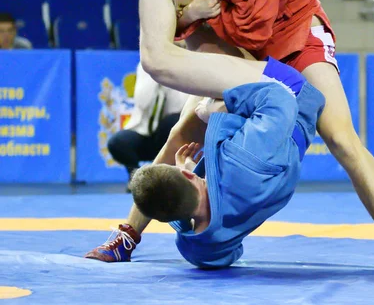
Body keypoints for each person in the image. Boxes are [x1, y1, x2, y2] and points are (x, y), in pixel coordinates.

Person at [80, 0, 374, 272]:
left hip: (296, 38)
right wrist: (190, 12)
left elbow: (252, 35)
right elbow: (174, 28)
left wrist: (187, 5)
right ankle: (127, 234)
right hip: (245, 49)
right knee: (183, 129)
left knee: (342, 138)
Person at [130, 71, 325, 269]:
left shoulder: (199, 247)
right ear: (188, 177)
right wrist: (219, 109)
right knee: (202, 62)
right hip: (294, 98)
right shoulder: (239, 157)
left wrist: (191, 170)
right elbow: (280, 100)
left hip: (277, 157)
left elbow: (228, 254)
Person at [107, 61, 187, 191]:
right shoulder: (146, 65)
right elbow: (143, 102)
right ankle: (136, 179)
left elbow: (180, 108)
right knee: (117, 143)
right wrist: (155, 72)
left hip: (167, 134)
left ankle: (166, 177)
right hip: (144, 132)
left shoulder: (184, 66)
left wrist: (171, 76)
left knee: (171, 121)